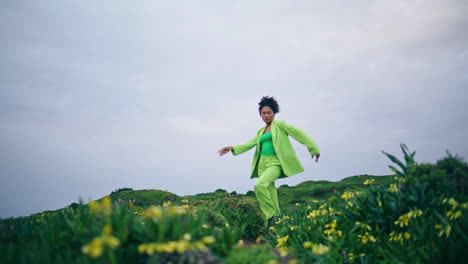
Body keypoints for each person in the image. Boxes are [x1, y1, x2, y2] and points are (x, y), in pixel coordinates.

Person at [217, 96, 320, 227]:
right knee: (271, 194)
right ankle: (277, 223)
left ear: (274, 113)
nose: (266, 115)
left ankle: (270, 215)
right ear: (260, 114)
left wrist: (313, 149)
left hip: (275, 163)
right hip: (262, 165)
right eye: (263, 113)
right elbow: (250, 143)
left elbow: (299, 134)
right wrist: (233, 148)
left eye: (268, 113)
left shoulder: (280, 125)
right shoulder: (260, 131)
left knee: (259, 185)